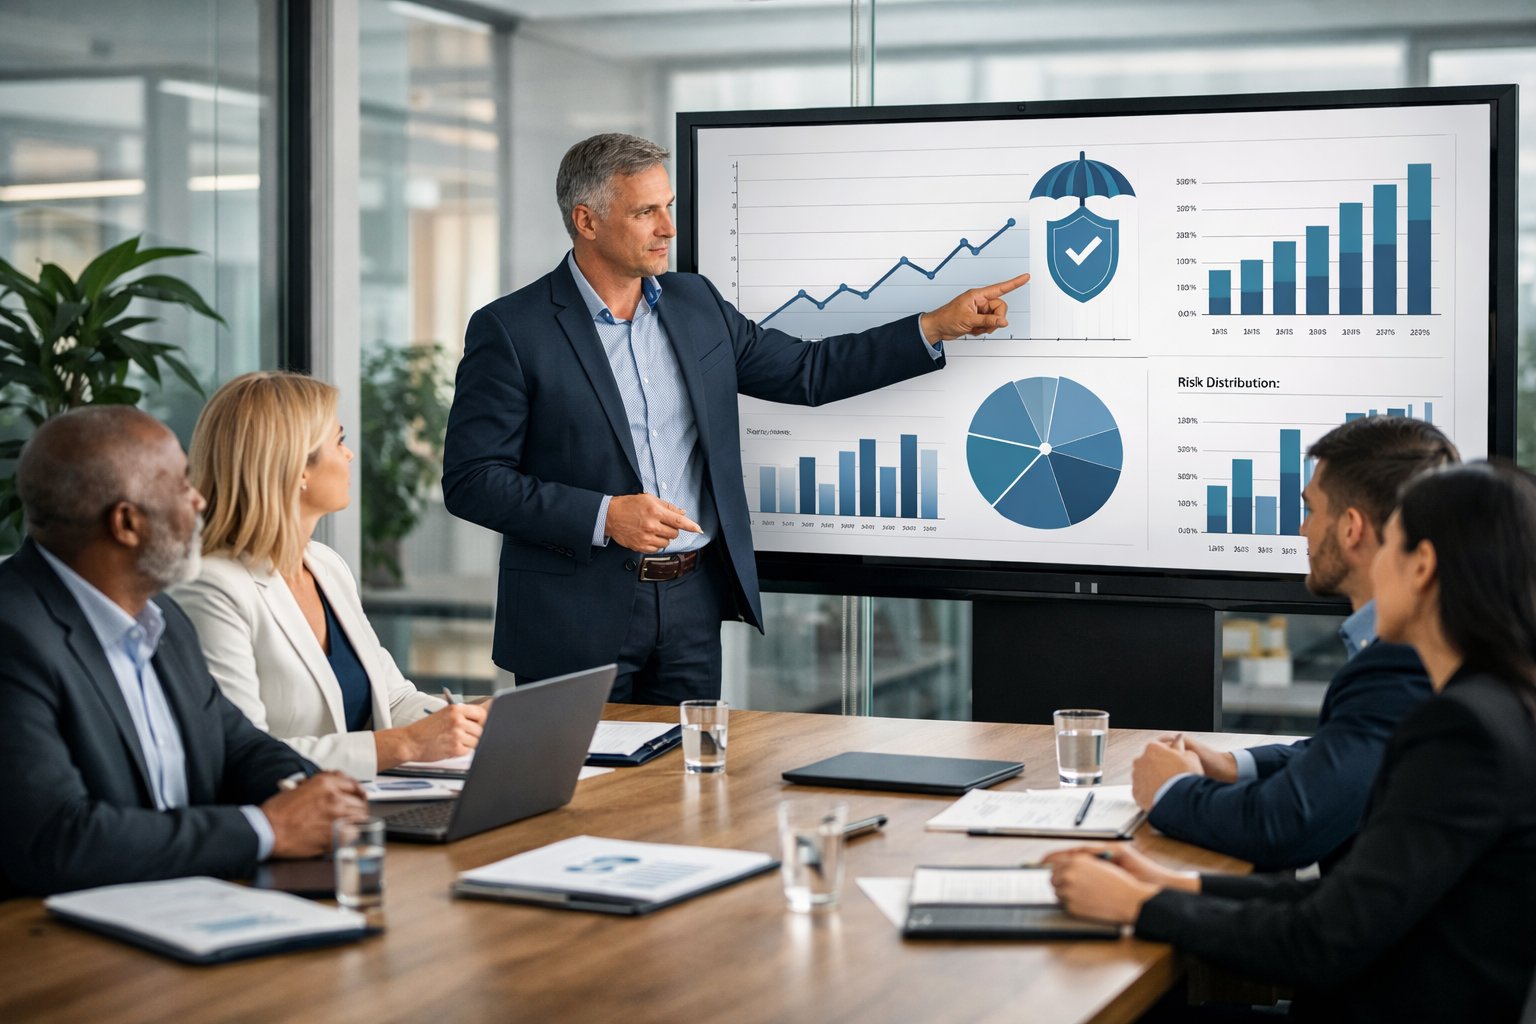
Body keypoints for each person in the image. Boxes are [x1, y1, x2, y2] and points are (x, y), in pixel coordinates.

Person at [443, 132, 1029, 703]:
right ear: (587, 221)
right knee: (584, 795)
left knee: (688, 792)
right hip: (571, 622)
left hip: (691, 609)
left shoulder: (695, 303)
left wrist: (934, 326)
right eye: (646, 212)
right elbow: (472, 481)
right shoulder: (512, 329)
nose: (669, 228)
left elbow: (809, 370)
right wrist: (605, 515)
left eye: (668, 207)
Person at [1048, 461, 1536, 1021]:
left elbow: (1322, 939)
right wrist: (1172, 882)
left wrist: (1140, 904)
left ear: (1422, 566)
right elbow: (1351, 898)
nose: (1375, 570)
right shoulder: (1500, 706)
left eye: (1390, 548)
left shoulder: (1463, 730)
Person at [0, 406, 368, 898]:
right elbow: (58, 839)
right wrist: (267, 829)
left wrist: (308, 791)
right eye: (181, 486)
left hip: (191, 901)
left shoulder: (162, 617)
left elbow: (237, 744)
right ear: (126, 523)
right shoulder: (14, 634)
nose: (198, 502)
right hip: (65, 941)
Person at [1129, 416, 1456, 870]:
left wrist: (1171, 789)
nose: (1303, 531)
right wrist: (1232, 764)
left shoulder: (1402, 660)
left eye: (1311, 510)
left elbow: (1284, 826)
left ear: (1351, 529)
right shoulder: (1435, 643)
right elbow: (1350, 750)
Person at [171, 372, 487, 780]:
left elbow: (392, 700)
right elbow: (240, 754)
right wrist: (404, 745)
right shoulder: (211, 587)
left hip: (363, 804)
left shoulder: (324, 565)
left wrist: (469, 718)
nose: (350, 455)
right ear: (296, 468)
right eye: (339, 440)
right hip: (291, 820)